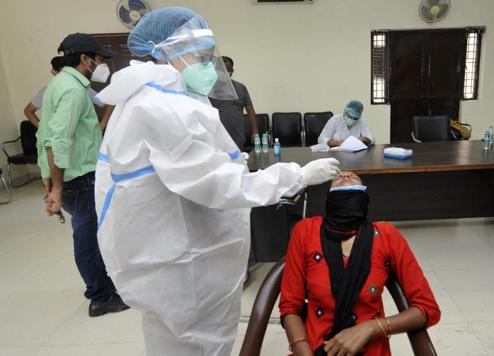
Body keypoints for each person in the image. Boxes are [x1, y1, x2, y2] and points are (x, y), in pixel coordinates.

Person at [93, 7, 340, 356]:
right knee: (196, 344)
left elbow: (182, 167)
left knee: (169, 340)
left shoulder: (150, 98)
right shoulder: (161, 107)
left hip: (167, 255)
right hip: (182, 265)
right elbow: (215, 184)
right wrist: (295, 176)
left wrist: (229, 160)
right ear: (167, 51)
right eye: (203, 57)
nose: (210, 67)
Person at [280, 171, 440, 355]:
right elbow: (290, 305)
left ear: (364, 197)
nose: (346, 174)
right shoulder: (306, 231)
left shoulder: (386, 236)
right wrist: (301, 347)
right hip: (312, 348)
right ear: (328, 197)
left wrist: (372, 328)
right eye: (338, 177)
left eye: (353, 176)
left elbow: (428, 309)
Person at [37, 33, 129, 317]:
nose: (101, 64)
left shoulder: (65, 83)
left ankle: (103, 285)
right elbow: (58, 140)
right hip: (78, 178)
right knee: (87, 238)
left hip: (76, 175)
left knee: (92, 234)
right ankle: (100, 297)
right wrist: (57, 187)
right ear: (84, 58)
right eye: (99, 59)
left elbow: (52, 135)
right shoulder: (73, 90)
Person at [25, 56, 114, 130]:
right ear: (54, 72)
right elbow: (28, 111)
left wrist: (101, 126)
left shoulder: (82, 88)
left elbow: (109, 104)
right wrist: (43, 129)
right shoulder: (46, 92)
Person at [209, 56, 258, 151]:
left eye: (227, 71)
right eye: (221, 70)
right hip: (217, 134)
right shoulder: (209, 89)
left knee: (238, 161)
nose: (224, 74)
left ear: (232, 71)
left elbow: (250, 110)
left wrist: (255, 130)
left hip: (237, 135)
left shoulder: (240, 87)